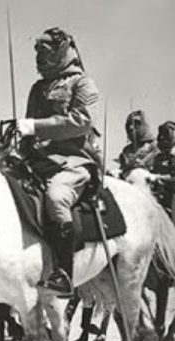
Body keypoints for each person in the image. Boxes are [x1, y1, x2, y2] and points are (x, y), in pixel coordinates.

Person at [17, 27, 100, 297]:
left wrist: (35, 126)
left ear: (61, 51)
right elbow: (28, 131)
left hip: (71, 161)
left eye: (45, 52)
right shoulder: (37, 88)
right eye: (37, 52)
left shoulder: (82, 83)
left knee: (56, 197)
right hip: (36, 162)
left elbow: (82, 121)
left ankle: (64, 274)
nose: (39, 58)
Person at [119, 110, 157, 178]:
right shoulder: (127, 150)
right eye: (129, 125)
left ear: (144, 125)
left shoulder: (155, 146)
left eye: (136, 124)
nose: (131, 128)